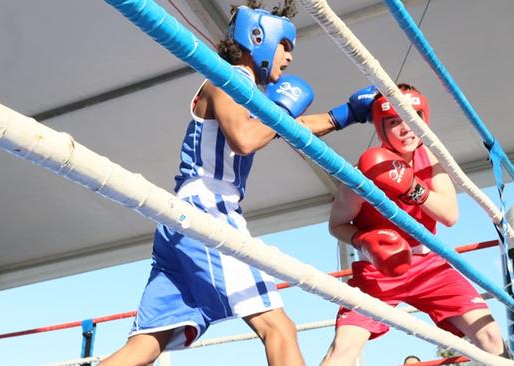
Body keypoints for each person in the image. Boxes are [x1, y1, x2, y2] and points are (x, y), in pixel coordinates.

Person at [100, 2, 375, 366]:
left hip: (181, 217)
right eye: (285, 46)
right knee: (279, 329)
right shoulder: (224, 79)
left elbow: (282, 128)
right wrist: (283, 110)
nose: (289, 58)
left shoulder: (244, 92)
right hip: (206, 208)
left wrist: (345, 115)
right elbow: (245, 138)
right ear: (258, 38)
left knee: (147, 345)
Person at [320, 84, 510, 366]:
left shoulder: (433, 158)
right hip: (377, 270)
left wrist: (410, 186)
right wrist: (363, 240)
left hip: (428, 266)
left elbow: (449, 215)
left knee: (490, 336)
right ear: (381, 126)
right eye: (395, 121)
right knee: (343, 349)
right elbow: (336, 224)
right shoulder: (364, 172)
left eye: (412, 118)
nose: (406, 129)